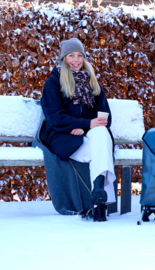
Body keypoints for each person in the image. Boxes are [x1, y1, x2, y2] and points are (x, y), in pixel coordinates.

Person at [39, 38, 116, 222]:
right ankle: (100, 202)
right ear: (64, 58)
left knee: (101, 133)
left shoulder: (92, 82)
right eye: (71, 55)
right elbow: (54, 117)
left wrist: (87, 127)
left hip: (88, 135)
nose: (76, 60)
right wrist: (82, 124)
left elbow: (105, 116)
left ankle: (98, 192)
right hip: (63, 135)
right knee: (101, 151)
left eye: (79, 55)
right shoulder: (53, 83)